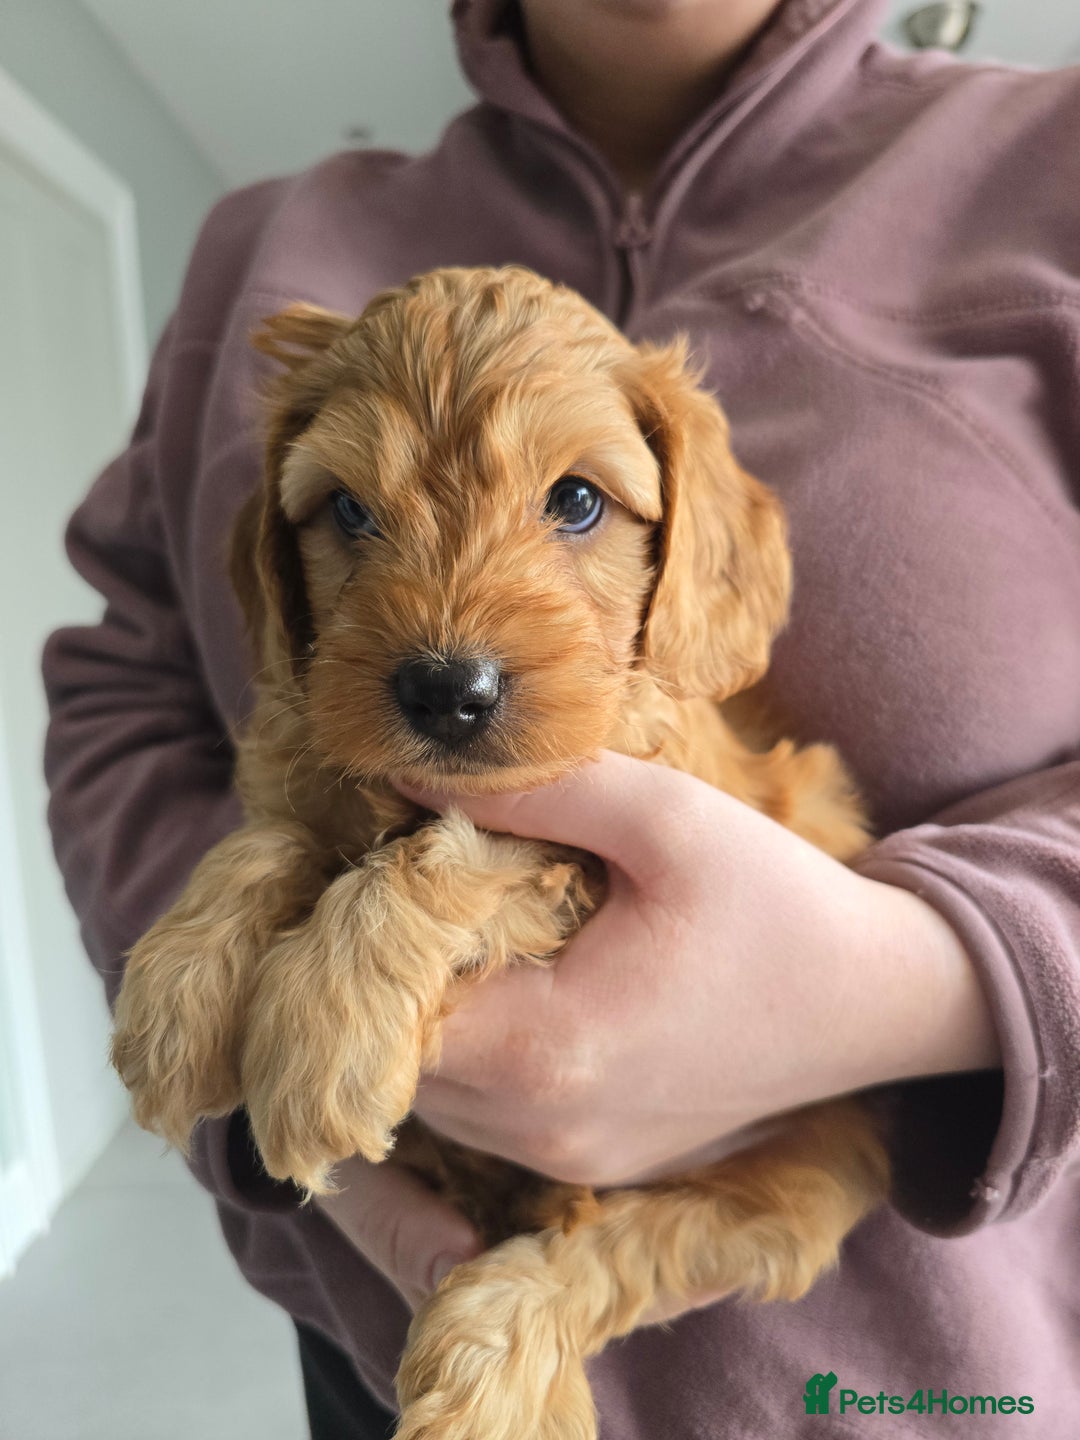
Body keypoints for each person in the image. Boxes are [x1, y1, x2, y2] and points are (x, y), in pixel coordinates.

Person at [42, 0, 1080, 1435]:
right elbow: (124, 678)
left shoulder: (1055, 157)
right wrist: (258, 1029)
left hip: (921, 1383)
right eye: (354, 511)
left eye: (577, 503)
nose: (451, 636)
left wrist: (934, 977)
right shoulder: (256, 247)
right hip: (383, 1351)